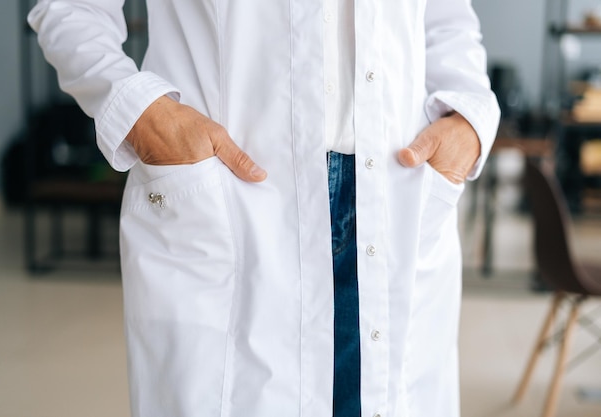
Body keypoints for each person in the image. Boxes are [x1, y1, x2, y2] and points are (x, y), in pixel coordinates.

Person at [28, 1, 500, 416]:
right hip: (230, 189)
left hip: (395, 185)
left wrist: (470, 118)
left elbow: (448, 18)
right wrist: (138, 110)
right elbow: (70, 7)